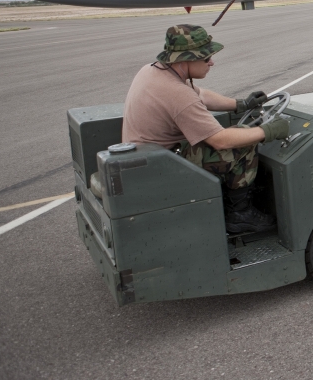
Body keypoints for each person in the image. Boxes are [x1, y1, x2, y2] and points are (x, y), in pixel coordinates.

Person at [122, 24, 290, 234]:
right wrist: (269, 131)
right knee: (244, 143)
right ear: (185, 60)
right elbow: (221, 140)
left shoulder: (154, 70)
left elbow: (200, 95)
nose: (212, 61)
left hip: (146, 163)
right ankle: (240, 214)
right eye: (205, 58)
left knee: (240, 133)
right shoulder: (176, 94)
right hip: (160, 171)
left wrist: (241, 104)